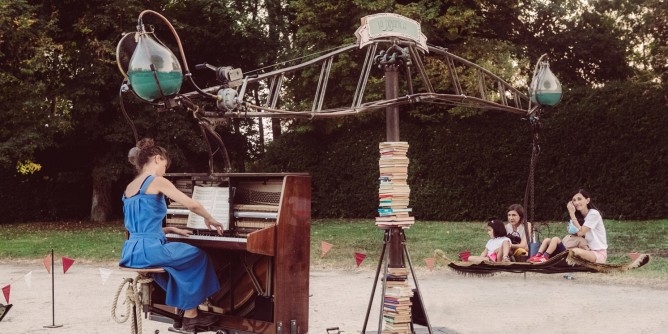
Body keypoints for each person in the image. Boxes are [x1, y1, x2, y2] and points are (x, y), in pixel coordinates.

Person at [119, 138, 224, 331]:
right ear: (158, 159)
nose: (165, 172)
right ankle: (192, 315)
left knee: (176, 264)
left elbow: (139, 226)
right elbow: (192, 204)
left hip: (132, 251)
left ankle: (182, 314)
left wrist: (170, 230)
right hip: (151, 251)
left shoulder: (130, 187)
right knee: (198, 257)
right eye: (165, 166)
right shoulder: (157, 181)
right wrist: (210, 218)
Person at [528, 189, 607, 263]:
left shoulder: (594, 214)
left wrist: (571, 213)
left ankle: (549, 258)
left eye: (579, 199)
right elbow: (577, 233)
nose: (576, 202)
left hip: (597, 253)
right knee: (557, 245)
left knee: (573, 252)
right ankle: (540, 256)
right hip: (583, 249)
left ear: (587, 200)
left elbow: (581, 233)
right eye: (574, 200)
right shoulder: (580, 217)